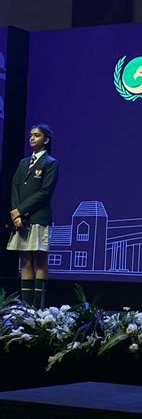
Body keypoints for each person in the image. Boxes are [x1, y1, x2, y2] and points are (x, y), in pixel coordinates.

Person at [7, 124, 59, 309]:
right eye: (31, 135)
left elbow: (45, 192)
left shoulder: (50, 163)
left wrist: (20, 210)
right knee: (25, 260)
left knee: (40, 260)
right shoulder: (23, 163)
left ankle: (38, 309)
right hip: (21, 220)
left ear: (46, 140)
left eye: (36, 135)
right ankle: (26, 308)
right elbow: (15, 187)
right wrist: (16, 214)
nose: (32, 138)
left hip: (38, 217)